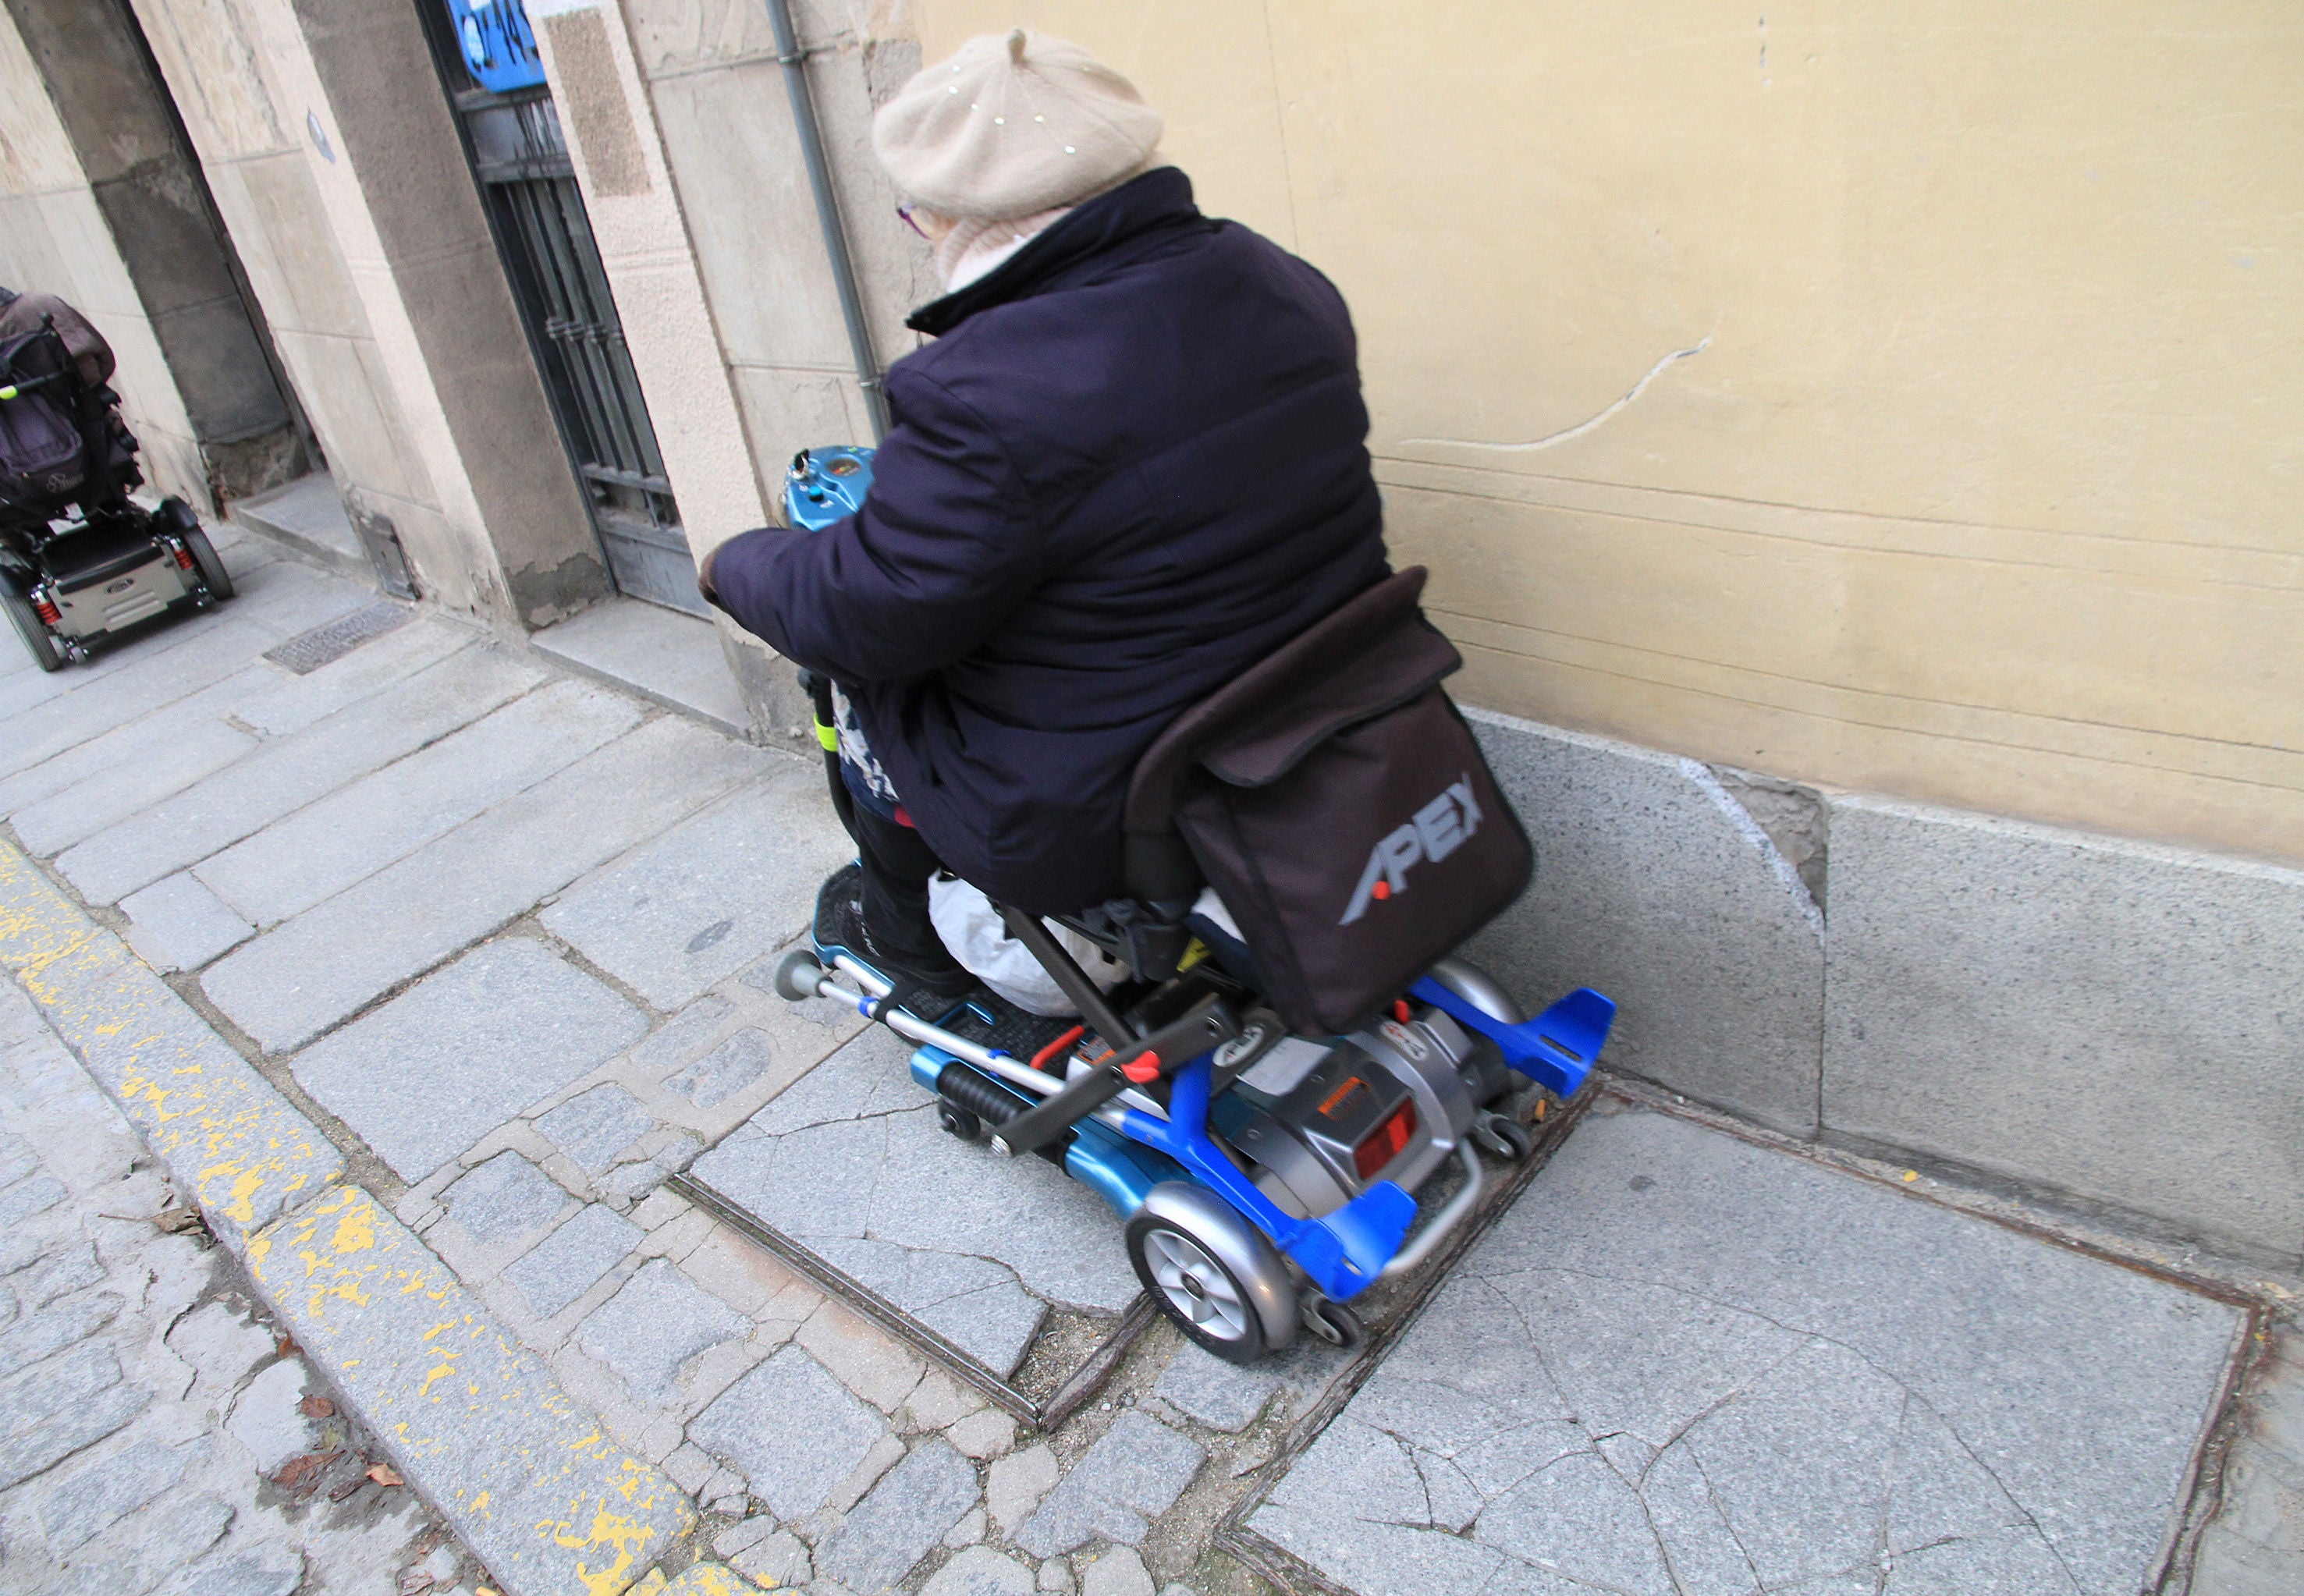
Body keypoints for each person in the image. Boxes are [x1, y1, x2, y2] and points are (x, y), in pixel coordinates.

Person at [703, 29, 1388, 1008]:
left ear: (956, 217)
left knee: (858, 682)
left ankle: (905, 945)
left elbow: (867, 609)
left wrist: (737, 564)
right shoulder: (1276, 275)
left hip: (1110, 804)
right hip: (1317, 708)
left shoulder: (979, 386)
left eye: (917, 218)